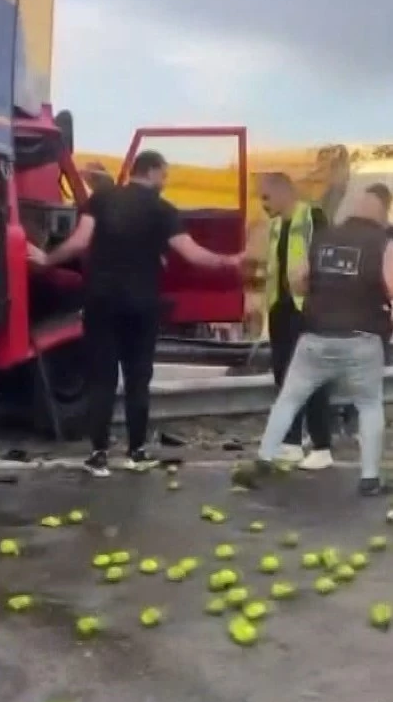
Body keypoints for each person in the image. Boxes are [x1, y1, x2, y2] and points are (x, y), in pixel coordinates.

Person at [27, 150, 244, 476]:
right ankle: (136, 452)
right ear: (153, 171)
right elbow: (193, 254)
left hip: (101, 302)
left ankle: (99, 454)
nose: (165, 182)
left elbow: (79, 242)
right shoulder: (163, 210)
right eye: (165, 175)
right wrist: (231, 260)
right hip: (141, 306)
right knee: (138, 380)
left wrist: (45, 259)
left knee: (101, 379)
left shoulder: (102, 199)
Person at [233, 184, 393, 497]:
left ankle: (264, 459)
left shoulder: (324, 237)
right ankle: (370, 479)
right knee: (369, 404)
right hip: (363, 337)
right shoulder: (383, 243)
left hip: (315, 336)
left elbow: (297, 279)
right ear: (381, 212)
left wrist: (319, 294)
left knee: (289, 398)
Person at [259, 171, 333, 470]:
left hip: (308, 308)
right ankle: (291, 442)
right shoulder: (277, 225)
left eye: (265, 196)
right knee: (284, 376)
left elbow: (326, 255)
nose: (262, 204)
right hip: (281, 308)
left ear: (283, 192)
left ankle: (322, 445)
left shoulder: (312, 216)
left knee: (311, 377)